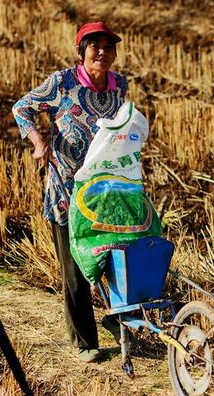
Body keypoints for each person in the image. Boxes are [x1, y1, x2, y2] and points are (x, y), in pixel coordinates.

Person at [12, 21, 127, 363]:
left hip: (105, 191)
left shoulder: (119, 85)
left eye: (108, 46)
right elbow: (21, 108)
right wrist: (38, 141)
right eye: (95, 46)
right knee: (75, 269)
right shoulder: (62, 83)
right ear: (81, 51)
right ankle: (84, 342)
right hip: (65, 190)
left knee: (113, 256)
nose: (102, 53)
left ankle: (116, 316)